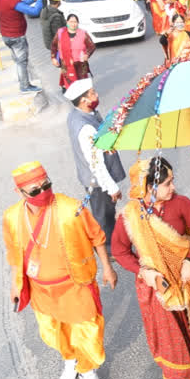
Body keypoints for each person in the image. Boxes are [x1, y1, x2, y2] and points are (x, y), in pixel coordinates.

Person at [111, 157, 190, 379]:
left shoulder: (180, 204)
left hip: (189, 276)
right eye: (167, 184)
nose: (173, 187)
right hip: (158, 284)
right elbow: (120, 251)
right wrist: (142, 272)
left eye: (172, 181)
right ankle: (179, 369)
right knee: (170, 328)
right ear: (148, 188)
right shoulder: (130, 216)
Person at [3, 161, 117, 379]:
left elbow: (97, 237)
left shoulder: (71, 209)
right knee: (55, 331)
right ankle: (70, 359)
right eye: (35, 191)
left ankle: (87, 371)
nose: (43, 193)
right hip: (40, 291)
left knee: (86, 331)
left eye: (47, 186)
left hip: (75, 286)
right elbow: (14, 253)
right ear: (20, 193)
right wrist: (15, 284)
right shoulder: (12, 217)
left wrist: (107, 268)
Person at [65, 79, 125, 257]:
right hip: (98, 182)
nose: (96, 95)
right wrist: (112, 187)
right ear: (83, 100)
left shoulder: (78, 115)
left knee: (105, 213)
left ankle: (111, 242)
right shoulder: (85, 128)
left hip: (93, 177)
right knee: (104, 216)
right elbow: (96, 163)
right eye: (92, 93)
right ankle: (108, 250)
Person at [0, 0, 44, 92]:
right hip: (16, 36)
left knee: (18, 60)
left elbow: (18, 5)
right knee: (22, 62)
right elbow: (34, 12)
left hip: (6, 35)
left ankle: (22, 82)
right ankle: (25, 86)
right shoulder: (12, 1)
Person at [50, 14, 96, 92]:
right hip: (66, 64)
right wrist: (53, 58)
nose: (73, 24)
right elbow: (54, 45)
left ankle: (82, 98)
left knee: (82, 85)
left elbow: (92, 46)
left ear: (78, 23)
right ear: (67, 22)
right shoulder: (60, 33)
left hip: (80, 65)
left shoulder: (83, 33)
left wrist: (87, 55)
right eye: (71, 22)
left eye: (75, 22)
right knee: (70, 84)